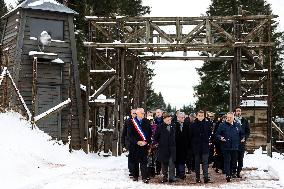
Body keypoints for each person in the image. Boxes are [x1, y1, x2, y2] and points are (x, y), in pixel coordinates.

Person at [216, 112, 245, 182]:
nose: (228, 119)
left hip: (235, 146)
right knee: (227, 160)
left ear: (233, 118)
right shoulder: (222, 125)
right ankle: (228, 175)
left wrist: (243, 138)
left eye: (230, 118)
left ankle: (232, 173)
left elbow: (242, 133)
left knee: (234, 161)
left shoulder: (237, 125)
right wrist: (220, 137)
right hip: (225, 146)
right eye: (227, 117)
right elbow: (217, 134)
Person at [128, 108, 152, 183]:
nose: (143, 114)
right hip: (135, 145)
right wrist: (137, 142)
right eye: (142, 113)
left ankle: (144, 177)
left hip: (144, 145)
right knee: (135, 161)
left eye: (143, 113)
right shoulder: (131, 122)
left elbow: (150, 133)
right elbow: (129, 135)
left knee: (144, 162)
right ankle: (135, 176)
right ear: (137, 113)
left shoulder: (147, 121)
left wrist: (146, 142)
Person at [189, 110, 212, 183]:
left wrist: (206, 140)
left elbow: (209, 133)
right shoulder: (193, 124)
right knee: (197, 163)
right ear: (197, 116)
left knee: (205, 162)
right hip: (196, 146)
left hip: (205, 146)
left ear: (204, 116)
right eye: (199, 115)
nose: (200, 117)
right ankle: (197, 178)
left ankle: (205, 177)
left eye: (202, 115)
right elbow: (190, 135)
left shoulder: (208, 124)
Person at [154, 113, 176, 183]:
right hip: (163, 148)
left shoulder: (174, 126)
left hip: (172, 148)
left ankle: (171, 177)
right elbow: (156, 137)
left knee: (171, 163)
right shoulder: (159, 127)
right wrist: (161, 142)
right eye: (168, 120)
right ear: (164, 120)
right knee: (164, 164)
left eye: (170, 119)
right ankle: (165, 177)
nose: (169, 121)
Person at [234, 107, 250, 178]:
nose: (238, 112)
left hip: (241, 142)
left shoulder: (244, 120)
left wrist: (245, 138)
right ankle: (233, 172)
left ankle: (238, 172)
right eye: (237, 111)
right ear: (235, 112)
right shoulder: (232, 120)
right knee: (234, 158)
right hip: (234, 142)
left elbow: (248, 131)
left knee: (240, 158)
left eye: (239, 111)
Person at [121, 109, 136, 177]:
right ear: (131, 113)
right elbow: (124, 133)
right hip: (130, 142)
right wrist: (123, 143)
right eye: (133, 113)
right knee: (131, 157)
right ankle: (131, 171)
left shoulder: (139, 120)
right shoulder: (127, 121)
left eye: (136, 113)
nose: (135, 114)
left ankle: (136, 170)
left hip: (137, 142)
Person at [175, 112, 188, 179]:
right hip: (176, 146)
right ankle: (177, 173)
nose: (183, 119)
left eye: (184, 117)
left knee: (182, 160)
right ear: (178, 118)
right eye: (182, 117)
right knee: (177, 160)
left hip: (184, 146)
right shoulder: (174, 125)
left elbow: (188, 136)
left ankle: (182, 174)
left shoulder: (186, 125)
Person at [154, 109, 163, 175]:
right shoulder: (153, 120)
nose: (158, 113)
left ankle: (164, 170)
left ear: (162, 113)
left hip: (163, 139)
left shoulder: (164, 120)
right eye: (157, 112)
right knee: (157, 156)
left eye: (159, 112)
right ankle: (158, 170)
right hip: (155, 140)